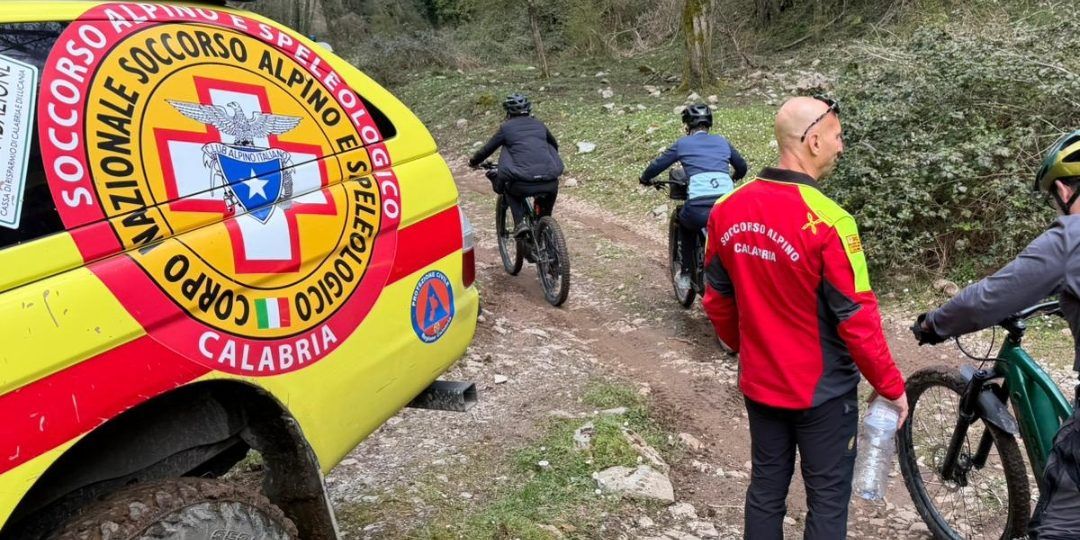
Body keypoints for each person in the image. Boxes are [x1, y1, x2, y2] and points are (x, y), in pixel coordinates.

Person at [701, 96, 908, 540]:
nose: (841, 145)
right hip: (824, 394)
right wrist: (891, 387)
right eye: (836, 136)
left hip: (760, 383)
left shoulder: (726, 208)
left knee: (765, 490)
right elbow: (857, 319)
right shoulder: (832, 222)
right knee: (828, 499)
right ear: (813, 140)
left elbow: (716, 298)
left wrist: (742, 345)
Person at [913, 130, 1080, 539]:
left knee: (1060, 526)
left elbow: (985, 300)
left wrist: (934, 324)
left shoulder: (1071, 238)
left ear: (1063, 188)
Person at [639, 104, 748, 291]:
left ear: (687, 126)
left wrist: (646, 178)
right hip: (728, 206)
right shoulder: (723, 142)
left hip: (698, 207)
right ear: (709, 124)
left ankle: (686, 273)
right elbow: (742, 166)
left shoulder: (683, 144)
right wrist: (733, 177)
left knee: (685, 222)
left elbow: (658, 164)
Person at [469, 93, 564, 236]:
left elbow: (487, 149)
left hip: (522, 184)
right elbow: (554, 146)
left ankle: (520, 223)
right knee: (545, 214)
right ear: (529, 109)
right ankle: (546, 228)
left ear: (508, 111)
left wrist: (473, 162)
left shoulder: (506, 128)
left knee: (509, 189)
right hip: (550, 182)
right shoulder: (539, 125)